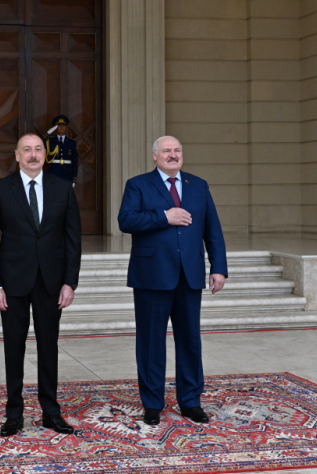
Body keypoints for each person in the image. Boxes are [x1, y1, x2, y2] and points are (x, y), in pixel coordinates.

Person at [117, 135, 228, 426]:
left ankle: (190, 400)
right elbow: (126, 221)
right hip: (152, 276)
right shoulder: (138, 184)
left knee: (190, 341)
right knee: (151, 343)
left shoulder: (199, 185)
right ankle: (152, 403)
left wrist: (219, 268)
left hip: (189, 276)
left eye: (177, 150)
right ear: (155, 156)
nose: (173, 154)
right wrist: (164, 216)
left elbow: (212, 230)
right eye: (166, 150)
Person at [0, 133, 82, 437]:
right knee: (14, 348)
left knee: (48, 347)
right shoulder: (0, 189)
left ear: (45, 154)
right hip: (12, 282)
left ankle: (51, 412)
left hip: (52, 282)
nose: (33, 154)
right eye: (27, 150)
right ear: (17, 155)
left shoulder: (63, 189)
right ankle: (14, 413)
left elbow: (73, 240)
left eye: (38, 149)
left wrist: (70, 282)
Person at [43, 115, 78, 186]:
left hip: (67, 173)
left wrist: (74, 177)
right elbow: (38, 142)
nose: (61, 127)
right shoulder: (49, 141)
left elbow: (75, 161)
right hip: (53, 172)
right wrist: (47, 133)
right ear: (55, 128)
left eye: (63, 125)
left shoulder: (72, 142)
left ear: (66, 127)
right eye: (59, 126)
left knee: (65, 195)